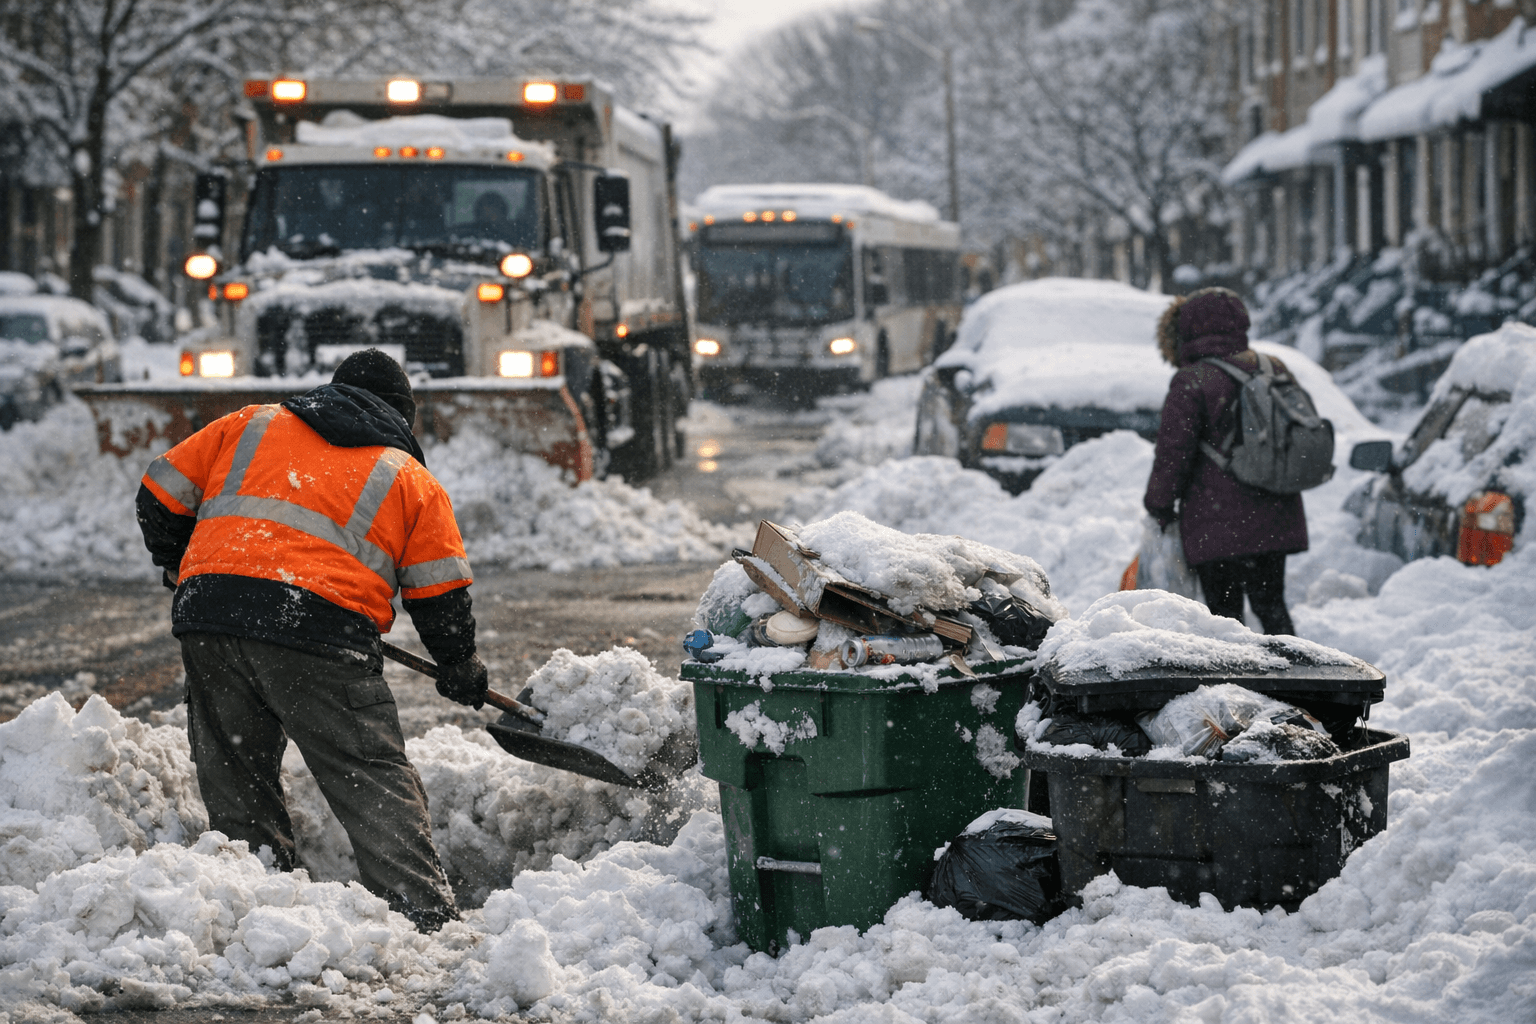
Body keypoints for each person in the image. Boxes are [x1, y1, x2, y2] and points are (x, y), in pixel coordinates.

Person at [135, 348, 489, 932]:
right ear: (403, 415)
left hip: (209, 619)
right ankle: (421, 917)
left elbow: (158, 494)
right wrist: (460, 663)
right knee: (367, 770)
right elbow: (440, 594)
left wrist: (181, 563)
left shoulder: (249, 423)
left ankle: (251, 908)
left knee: (236, 766)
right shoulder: (410, 480)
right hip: (319, 634)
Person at [1143, 288, 1306, 635]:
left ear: (1188, 328)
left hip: (1217, 520)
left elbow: (1174, 452)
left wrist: (1158, 504)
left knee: (1226, 619)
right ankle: (1298, 681)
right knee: (1272, 606)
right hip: (1275, 511)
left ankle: (1235, 685)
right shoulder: (1271, 366)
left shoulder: (1192, 380)